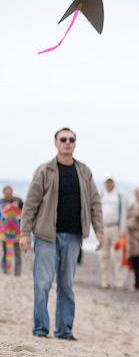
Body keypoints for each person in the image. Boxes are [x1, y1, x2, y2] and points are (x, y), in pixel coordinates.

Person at [20, 127, 104, 340]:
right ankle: (40, 329)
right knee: (43, 282)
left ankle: (64, 330)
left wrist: (99, 230)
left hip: (74, 236)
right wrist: (24, 233)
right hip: (46, 235)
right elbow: (30, 204)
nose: (67, 142)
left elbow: (95, 202)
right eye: (63, 139)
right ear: (56, 142)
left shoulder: (84, 171)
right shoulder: (45, 170)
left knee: (66, 284)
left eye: (71, 139)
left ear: (75, 143)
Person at [97, 177, 128, 288]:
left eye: (111, 183)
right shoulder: (101, 196)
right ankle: (105, 280)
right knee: (103, 255)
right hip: (104, 228)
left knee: (118, 255)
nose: (109, 185)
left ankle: (119, 281)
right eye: (107, 183)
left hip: (116, 228)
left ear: (114, 184)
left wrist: (123, 230)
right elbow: (97, 212)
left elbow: (124, 214)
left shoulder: (119, 197)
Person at [1, 186, 24, 276]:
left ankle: (17, 272)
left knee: (17, 253)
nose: (8, 195)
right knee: (6, 252)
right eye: (6, 194)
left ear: (12, 193)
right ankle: (5, 270)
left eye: (9, 193)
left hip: (17, 232)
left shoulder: (18, 200)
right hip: (5, 232)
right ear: (3, 194)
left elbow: (24, 209)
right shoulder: (1, 202)